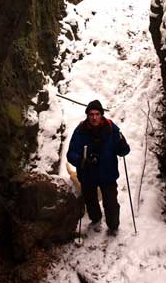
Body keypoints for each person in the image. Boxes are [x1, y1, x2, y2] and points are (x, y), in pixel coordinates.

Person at [67, 99, 130, 234]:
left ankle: (113, 227)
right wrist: (81, 161)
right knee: (90, 202)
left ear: (101, 114)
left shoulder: (111, 128)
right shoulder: (80, 131)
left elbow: (123, 150)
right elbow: (71, 153)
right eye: (91, 114)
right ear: (87, 115)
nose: (94, 117)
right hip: (87, 173)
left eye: (97, 114)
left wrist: (123, 146)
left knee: (111, 204)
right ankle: (96, 219)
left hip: (107, 173)